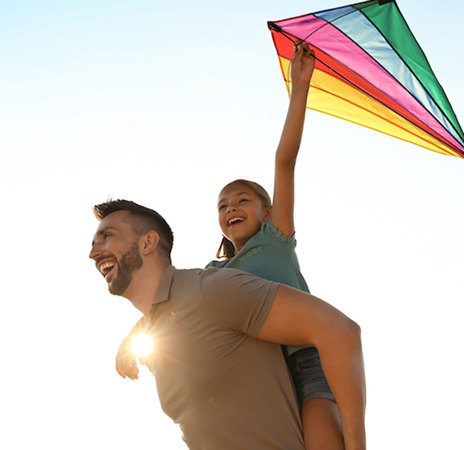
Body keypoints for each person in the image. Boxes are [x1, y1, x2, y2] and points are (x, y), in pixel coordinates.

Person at [115, 43, 344, 448]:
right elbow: (167, 303)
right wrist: (129, 343)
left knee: (324, 437)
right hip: (261, 373)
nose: (231, 208)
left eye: (242, 200)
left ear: (267, 212)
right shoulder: (215, 273)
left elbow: (284, 161)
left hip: (304, 356)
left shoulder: (277, 237)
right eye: (223, 205)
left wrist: (300, 88)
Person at [89, 199, 366, 450]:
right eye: (93, 242)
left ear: (148, 243)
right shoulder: (155, 338)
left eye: (106, 237)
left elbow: (340, 332)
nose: (93, 253)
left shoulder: (210, 290)